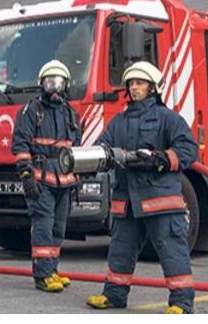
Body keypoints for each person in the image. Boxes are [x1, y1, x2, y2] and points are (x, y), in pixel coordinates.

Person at [87, 61, 197, 314]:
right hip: (127, 202)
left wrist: (160, 160)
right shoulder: (119, 121)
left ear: (153, 87)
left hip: (160, 201)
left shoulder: (168, 119)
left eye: (140, 84)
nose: (134, 88)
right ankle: (114, 294)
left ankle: (181, 302)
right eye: (131, 84)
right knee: (120, 249)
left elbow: (188, 151)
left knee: (172, 250)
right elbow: (103, 145)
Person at [11, 60, 82, 292]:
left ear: (66, 85)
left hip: (65, 181)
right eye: (49, 82)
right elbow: (20, 144)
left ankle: (52, 270)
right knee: (43, 226)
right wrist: (26, 174)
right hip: (41, 181)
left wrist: (78, 176)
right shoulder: (32, 111)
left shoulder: (71, 113)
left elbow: (75, 148)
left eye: (58, 82)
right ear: (42, 84)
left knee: (59, 228)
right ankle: (42, 275)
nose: (54, 86)